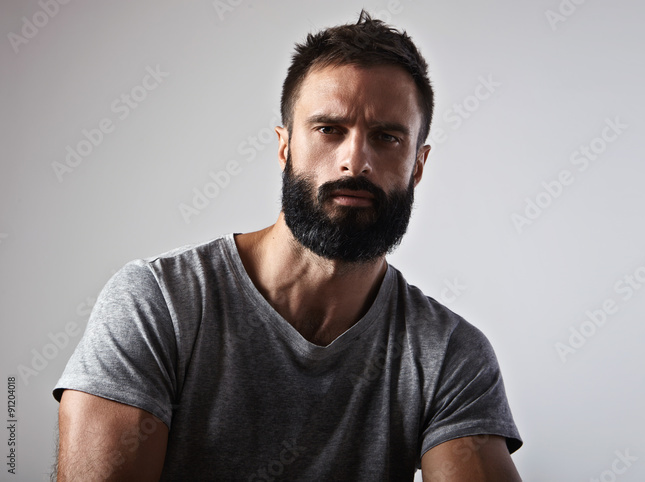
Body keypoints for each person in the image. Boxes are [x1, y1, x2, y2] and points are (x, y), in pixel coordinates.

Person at [52, 10, 522, 481]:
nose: (354, 161)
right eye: (329, 129)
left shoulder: (448, 354)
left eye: (386, 137)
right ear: (285, 147)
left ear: (418, 165)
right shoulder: (158, 303)